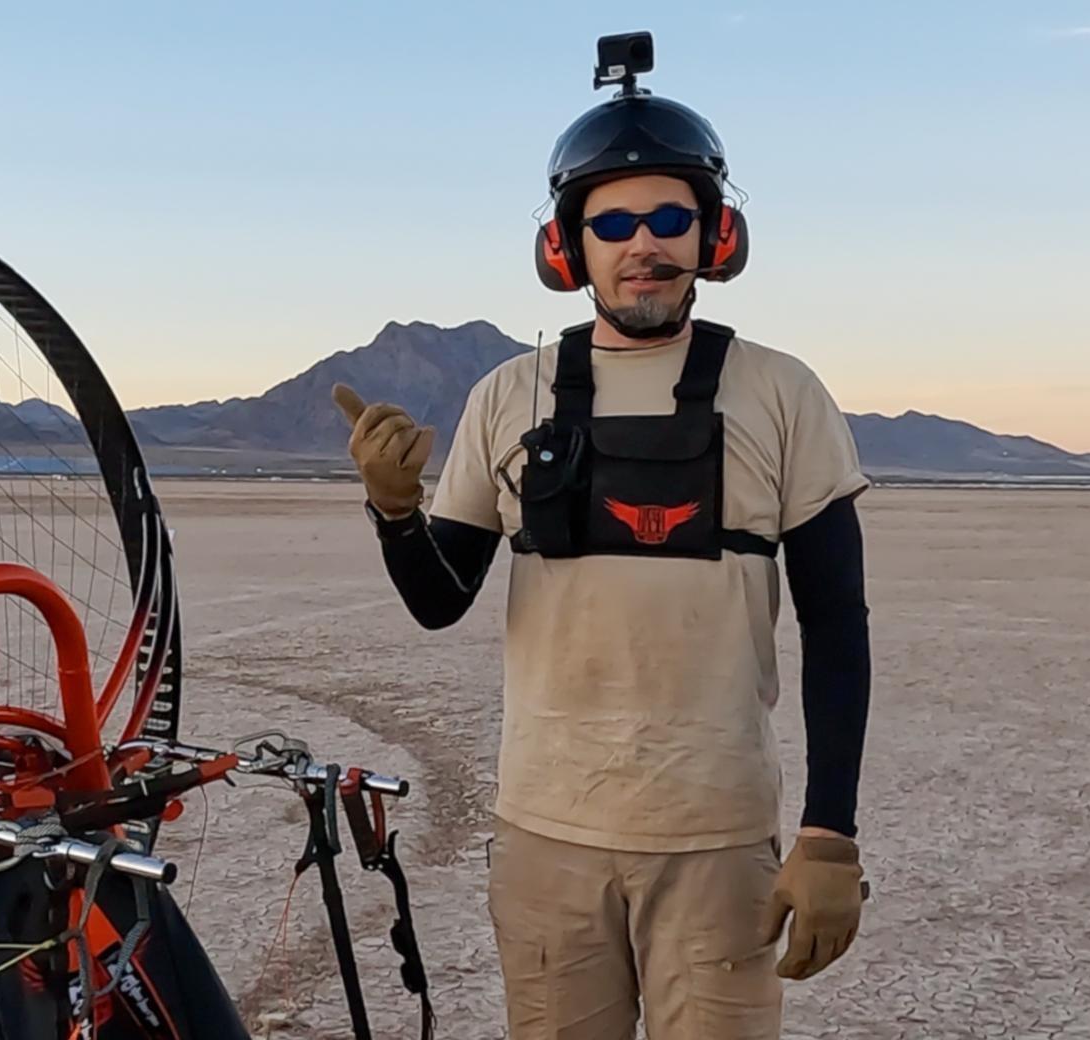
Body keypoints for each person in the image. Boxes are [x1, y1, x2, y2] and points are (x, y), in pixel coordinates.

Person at [331, 37, 872, 1040]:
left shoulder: (785, 394)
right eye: (612, 222)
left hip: (719, 845)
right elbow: (440, 595)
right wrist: (395, 509)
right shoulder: (509, 394)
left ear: (716, 235)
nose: (643, 245)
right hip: (548, 842)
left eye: (671, 217)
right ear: (565, 247)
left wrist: (829, 833)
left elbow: (838, 622)